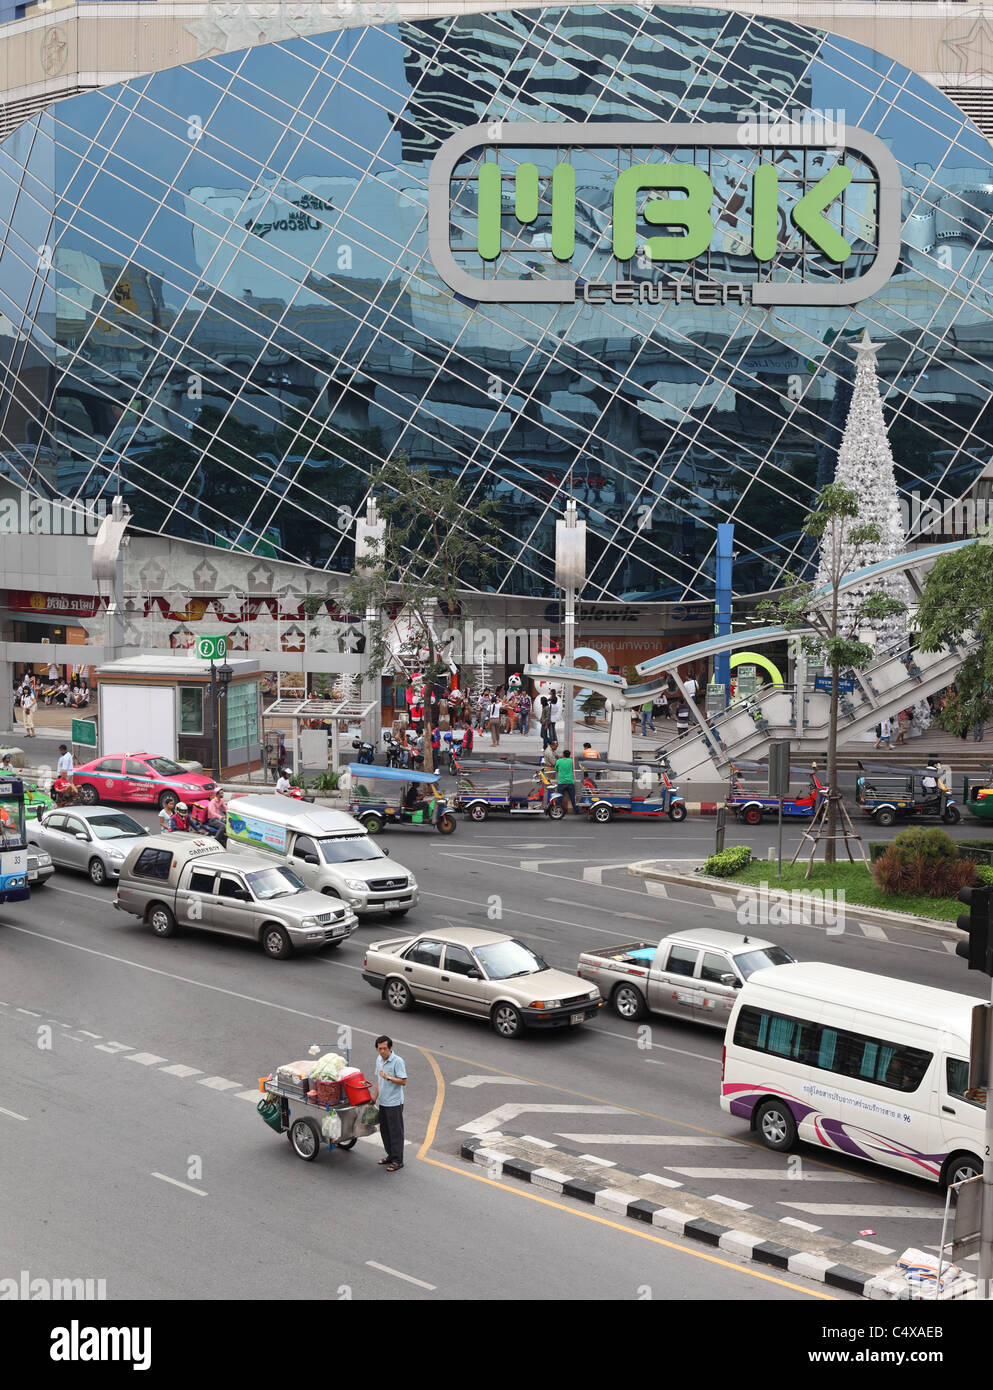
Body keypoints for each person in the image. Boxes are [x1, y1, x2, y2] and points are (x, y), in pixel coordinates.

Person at [371, 1034, 406, 1173]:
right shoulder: (379, 1060)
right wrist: (374, 1097)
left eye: (384, 1048)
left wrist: (389, 1077)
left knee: (395, 1132)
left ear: (390, 1048)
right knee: (385, 1131)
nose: (382, 1051)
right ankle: (390, 1155)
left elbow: (403, 1081)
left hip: (395, 1103)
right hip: (383, 1102)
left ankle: (398, 1161)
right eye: (379, 1049)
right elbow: (379, 1080)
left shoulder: (398, 1061)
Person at [554, 750, 577, 814]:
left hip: (561, 782)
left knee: (559, 798)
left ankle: (558, 811)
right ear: (569, 755)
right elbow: (573, 768)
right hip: (570, 782)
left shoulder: (559, 761)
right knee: (573, 798)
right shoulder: (571, 761)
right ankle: (576, 810)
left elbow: (556, 769)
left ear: (563, 754)